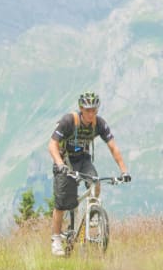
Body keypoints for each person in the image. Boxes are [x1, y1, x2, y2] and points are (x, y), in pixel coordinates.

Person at [48, 91, 131, 256]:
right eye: (88, 110)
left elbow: (113, 147)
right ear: (81, 109)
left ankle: (93, 213)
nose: (91, 113)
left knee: (96, 182)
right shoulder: (69, 121)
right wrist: (60, 164)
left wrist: (124, 171)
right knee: (62, 203)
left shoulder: (99, 124)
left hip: (83, 160)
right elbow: (52, 145)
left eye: (94, 110)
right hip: (65, 161)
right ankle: (56, 239)